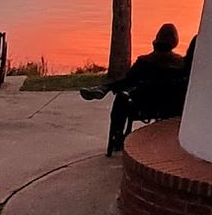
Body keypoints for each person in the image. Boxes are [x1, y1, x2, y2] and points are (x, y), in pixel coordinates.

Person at [80, 23, 187, 153]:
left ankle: (106, 91)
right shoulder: (181, 65)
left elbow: (128, 80)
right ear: (174, 42)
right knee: (128, 88)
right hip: (170, 107)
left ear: (156, 41)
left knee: (122, 95)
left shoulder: (144, 62)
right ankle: (105, 87)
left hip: (142, 106)